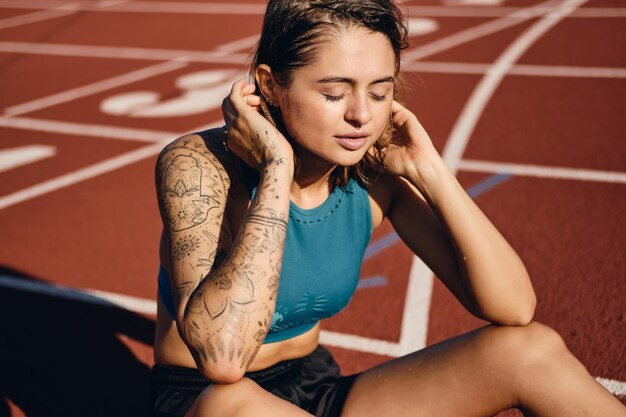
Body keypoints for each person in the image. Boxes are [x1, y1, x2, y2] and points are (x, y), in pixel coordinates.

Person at [148, 1, 626, 416]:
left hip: (316, 389)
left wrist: (430, 170)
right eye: (334, 94)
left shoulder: (374, 177)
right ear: (269, 86)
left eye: (380, 92)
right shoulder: (199, 166)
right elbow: (223, 360)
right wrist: (276, 167)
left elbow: (515, 308)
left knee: (529, 351)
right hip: (207, 401)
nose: (362, 115)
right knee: (232, 405)